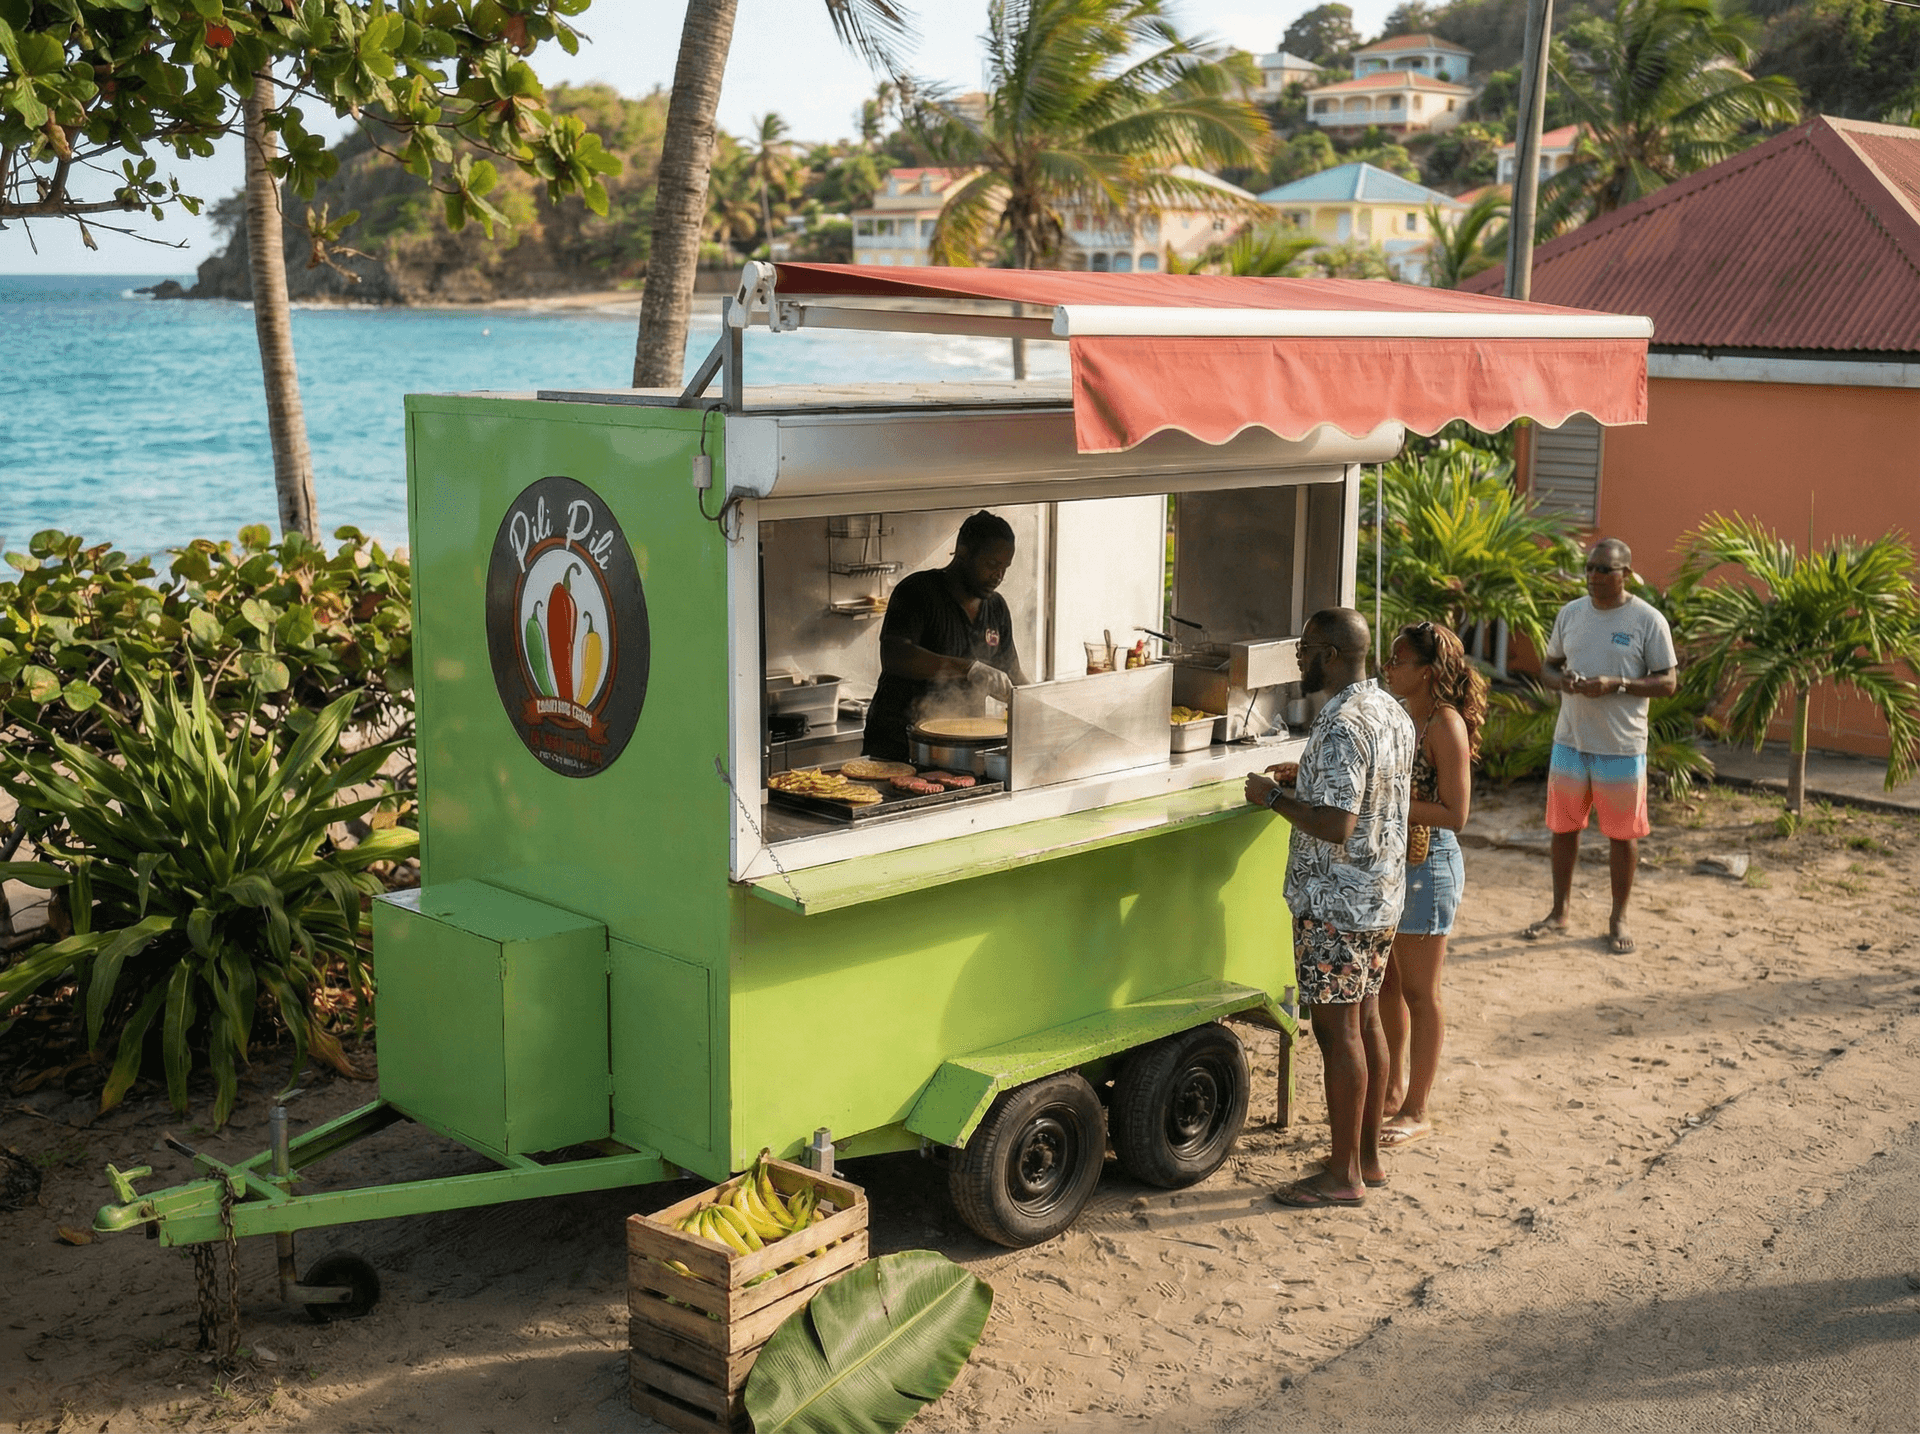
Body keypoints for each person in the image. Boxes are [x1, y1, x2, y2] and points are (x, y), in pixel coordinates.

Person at [1245, 608, 1415, 1208]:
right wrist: (1309, 776)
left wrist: (1271, 798)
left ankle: (1340, 1177)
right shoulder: (1390, 709)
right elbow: (1371, 790)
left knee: (1337, 1031)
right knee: (1365, 1021)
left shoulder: (1342, 723)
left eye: (1307, 647)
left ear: (1335, 654)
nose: (1299, 657)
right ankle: (1365, 1159)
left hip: (1335, 902)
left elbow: (1337, 825)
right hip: (1380, 895)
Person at [1523, 538, 1678, 955]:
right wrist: (1562, 681)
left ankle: (1618, 916)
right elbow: (1549, 666)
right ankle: (1559, 911)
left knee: (1622, 836)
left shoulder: (1648, 620)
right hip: (1570, 741)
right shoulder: (1571, 614)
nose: (1593, 576)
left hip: (1621, 747)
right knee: (1563, 829)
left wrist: (1619, 684)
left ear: (1626, 574)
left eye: (1603, 569)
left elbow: (1668, 682)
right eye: (1589, 568)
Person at [1378, 621, 1487, 1150]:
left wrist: (1384, 803)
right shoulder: (1399, 713)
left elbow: (1457, 814)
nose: (1388, 667)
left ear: (1426, 671)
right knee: (1388, 987)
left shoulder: (1444, 725)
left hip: (1429, 867)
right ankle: (1394, 1090)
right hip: (1395, 864)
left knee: (1421, 993)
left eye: (1398, 660)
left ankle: (1418, 1108)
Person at [862, 510, 1030, 762]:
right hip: (898, 745)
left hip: (963, 750)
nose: (999, 576)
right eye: (992, 565)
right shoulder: (917, 592)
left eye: (1005, 568)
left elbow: (1012, 676)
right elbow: (895, 655)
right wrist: (968, 668)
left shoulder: (996, 608)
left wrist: (1041, 708)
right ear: (963, 553)